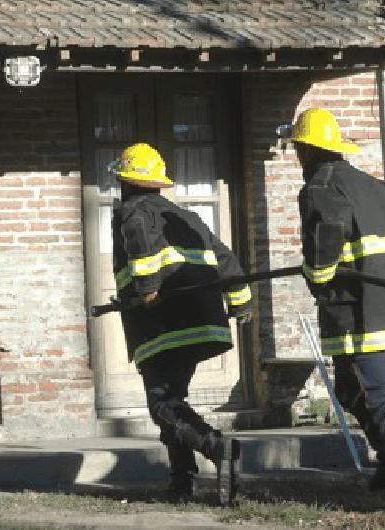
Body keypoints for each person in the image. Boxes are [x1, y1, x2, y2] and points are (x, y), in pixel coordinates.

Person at [283, 108, 385, 517]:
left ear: (306, 149)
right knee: (348, 391)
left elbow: (328, 239)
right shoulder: (373, 187)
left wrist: (319, 278)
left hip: (353, 310)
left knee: (380, 401)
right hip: (384, 306)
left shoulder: (320, 187)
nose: (297, 157)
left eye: (298, 149)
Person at [109, 143, 253, 504]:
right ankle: (182, 482)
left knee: (163, 405)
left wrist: (146, 291)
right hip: (201, 324)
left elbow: (142, 245)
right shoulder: (187, 217)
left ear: (125, 182)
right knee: (173, 402)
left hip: (163, 326)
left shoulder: (134, 210)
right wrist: (240, 303)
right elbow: (227, 259)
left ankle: (218, 449)